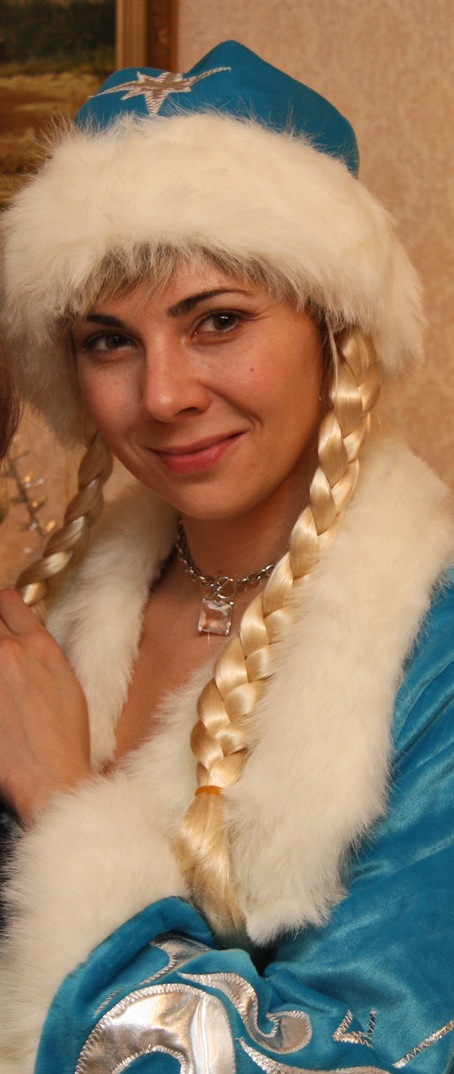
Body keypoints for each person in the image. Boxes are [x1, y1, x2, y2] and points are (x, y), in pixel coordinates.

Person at [0, 40, 453, 1074]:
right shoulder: (51, 622)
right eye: (109, 340)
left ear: (336, 326)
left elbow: (360, 1052)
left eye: (217, 321)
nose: (162, 395)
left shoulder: (431, 659)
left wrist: (65, 804)